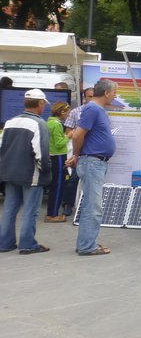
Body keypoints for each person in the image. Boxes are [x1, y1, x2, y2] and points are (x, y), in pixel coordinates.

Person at [68, 78, 117, 255]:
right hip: (92, 162)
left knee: (92, 205)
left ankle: (86, 242)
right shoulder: (93, 109)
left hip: (95, 162)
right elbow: (77, 135)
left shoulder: (96, 109)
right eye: (114, 92)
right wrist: (76, 154)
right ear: (106, 93)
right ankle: (87, 246)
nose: (115, 96)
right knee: (93, 207)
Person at [0, 89, 53, 253]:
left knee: (9, 209)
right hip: (31, 174)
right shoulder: (39, 124)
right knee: (30, 210)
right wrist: (47, 171)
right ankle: (27, 244)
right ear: (40, 103)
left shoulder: (10, 122)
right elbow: (41, 153)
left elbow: (2, 147)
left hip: (10, 172)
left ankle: (5, 243)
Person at [61, 86, 93, 216]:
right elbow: (68, 131)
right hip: (77, 151)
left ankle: (87, 206)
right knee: (73, 178)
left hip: (93, 151)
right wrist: (79, 135)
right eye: (89, 96)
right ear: (84, 97)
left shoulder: (101, 112)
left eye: (94, 96)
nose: (92, 98)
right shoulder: (75, 112)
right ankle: (68, 204)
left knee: (91, 180)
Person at [45, 101, 70, 222]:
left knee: (54, 185)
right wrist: (69, 136)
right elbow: (59, 143)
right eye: (67, 112)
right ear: (62, 112)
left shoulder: (49, 122)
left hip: (52, 156)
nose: (68, 114)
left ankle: (51, 212)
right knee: (58, 185)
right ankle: (52, 215)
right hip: (58, 157)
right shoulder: (56, 124)